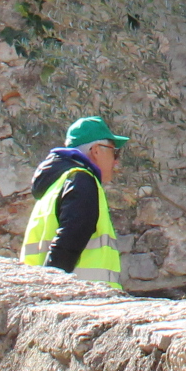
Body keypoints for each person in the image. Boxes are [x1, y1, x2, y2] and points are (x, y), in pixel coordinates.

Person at [22, 115, 130, 287]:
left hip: (43, 291)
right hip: (83, 296)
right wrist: (50, 287)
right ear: (96, 150)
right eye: (114, 152)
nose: (116, 161)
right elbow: (68, 243)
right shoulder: (82, 180)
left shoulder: (55, 184)